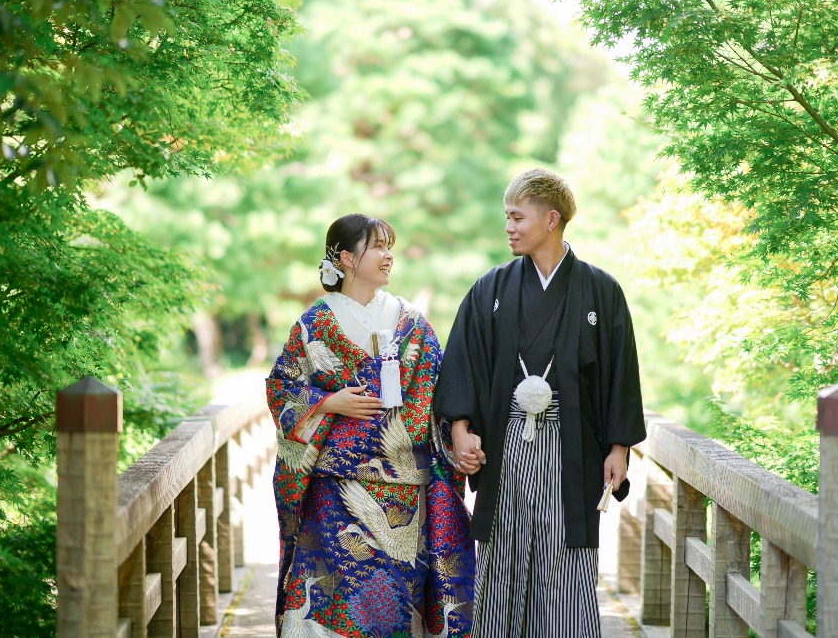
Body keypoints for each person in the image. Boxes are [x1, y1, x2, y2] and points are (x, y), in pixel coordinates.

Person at [433, 169, 646, 637]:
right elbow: (464, 360)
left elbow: (620, 371)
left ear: (552, 219)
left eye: (517, 217)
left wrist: (619, 447)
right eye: (507, 217)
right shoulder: (491, 288)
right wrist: (461, 429)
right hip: (506, 441)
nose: (508, 227)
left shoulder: (600, 290)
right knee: (502, 551)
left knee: (565, 557)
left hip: (574, 446)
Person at [266, 214, 474, 638]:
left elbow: (442, 388)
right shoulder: (314, 322)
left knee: (395, 604)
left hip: (403, 489)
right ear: (346, 258)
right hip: (334, 485)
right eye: (377, 246)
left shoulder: (411, 322)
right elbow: (281, 386)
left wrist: (459, 436)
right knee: (332, 596)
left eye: (388, 246)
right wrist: (330, 402)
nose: (388, 255)